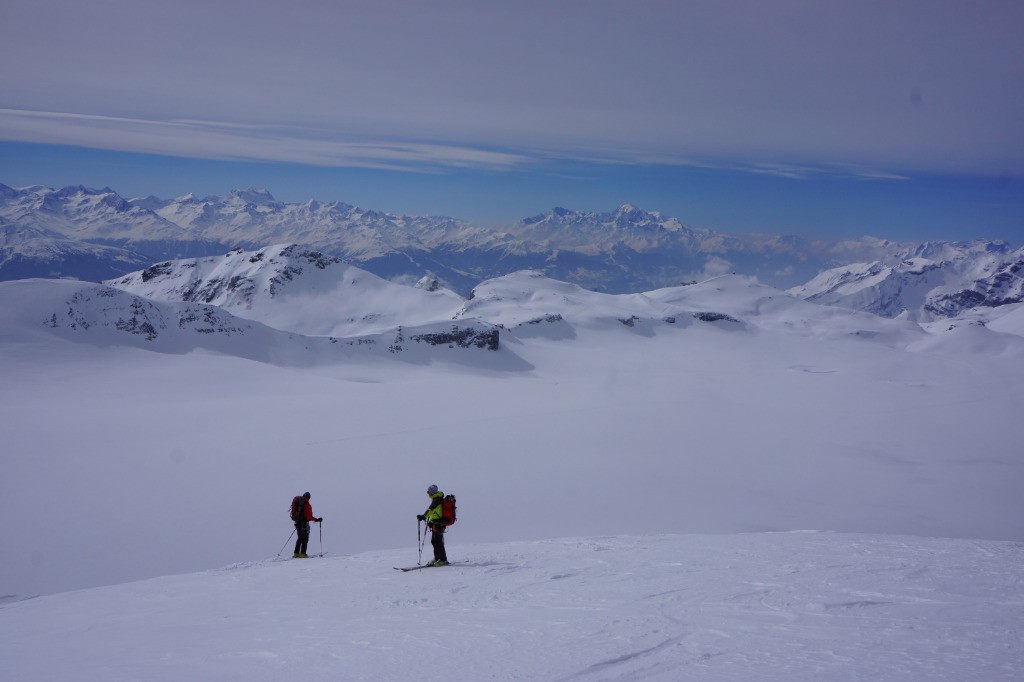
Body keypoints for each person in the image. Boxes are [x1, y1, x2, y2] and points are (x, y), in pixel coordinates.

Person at [416, 484, 448, 566]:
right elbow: (435, 512)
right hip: (435, 523)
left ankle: (443, 560)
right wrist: (431, 520)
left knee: (438, 542)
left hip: (439, 524)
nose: (427, 493)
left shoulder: (437, 500)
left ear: (432, 492)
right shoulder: (436, 499)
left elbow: (430, 510)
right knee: (434, 541)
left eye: (428, 491)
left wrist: (423, 516)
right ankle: (437, 559)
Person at [292, 492, 322, 559]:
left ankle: (296, 554)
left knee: (299, 538)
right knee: (305, 539)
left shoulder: (298, 502)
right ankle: (303, 554)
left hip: (297, 523)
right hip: (304, 524)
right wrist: (316, 520)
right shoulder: (307, 505)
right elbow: (309, 516)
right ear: (309, 498)